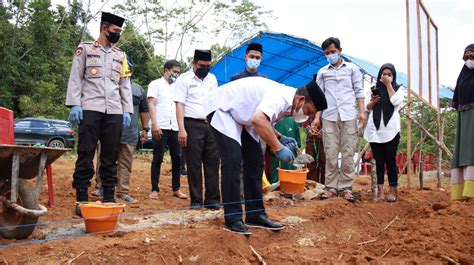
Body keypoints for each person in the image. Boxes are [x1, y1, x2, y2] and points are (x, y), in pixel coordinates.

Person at [205, 77, 327, 235]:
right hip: (222, 108)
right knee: (233, 160)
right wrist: (278, 147)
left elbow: (265, 121)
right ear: (301, 99)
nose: (306, 116)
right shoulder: (281, 97)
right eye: (308, 111)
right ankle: (233, 218)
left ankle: (255, 214)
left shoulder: (290, 104)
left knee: (255, 162)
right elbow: (258, 119)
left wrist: (280, 137)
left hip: (242, 116)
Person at [66, 12, 133, 215]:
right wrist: (74, 105)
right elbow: (76, 78)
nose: (118, 35)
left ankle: (109, 197)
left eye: (120, 31)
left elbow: (125, 85)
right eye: (115, 31)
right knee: (85, 152)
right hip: (90, 107)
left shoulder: (120, 56)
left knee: (110, 155)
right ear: (104, 28)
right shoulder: (85, 49)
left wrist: (127, 110)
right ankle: (82, 199)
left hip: (114, 110)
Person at [314, 37, 366, 202]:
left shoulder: (352, 69)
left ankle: (345, 188)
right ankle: (330, 187)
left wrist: (362, 112)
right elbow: (319, 97)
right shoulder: (322, 72)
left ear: (340, 51)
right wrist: (317, 118)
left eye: (333, 52)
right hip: (328, 116)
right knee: (330, 153)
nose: (330, 55)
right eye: (327, 53)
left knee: (348, 153)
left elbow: (359, 91)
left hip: (349, 115)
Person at [174, 49, 221, 210]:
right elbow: (179, 104)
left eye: (208, 66)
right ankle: (196, 199)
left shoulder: (213, 79)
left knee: (212, 162)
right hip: (191, 124)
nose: (205, 69)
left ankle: (212, 199)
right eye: (202, 65)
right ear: (194, 63)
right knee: (193, 163)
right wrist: (181, 129)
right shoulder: (184, 79)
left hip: (211, 124)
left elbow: (215, 102)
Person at [148, 60, 188, 200]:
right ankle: (154, 189)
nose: (176, 75)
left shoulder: (179, 87)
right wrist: (154, 124)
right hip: (161, 126)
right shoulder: (155, 84)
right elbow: (152, 105)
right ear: (166, 70)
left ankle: (176, 188)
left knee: (177, 158)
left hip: (175, 127)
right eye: (174, 72)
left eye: (178, 72)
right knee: (157, 158)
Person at [364, 63, 403, 202]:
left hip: (391, 131)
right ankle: (380, 191)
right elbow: (367, 108)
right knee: (378, 161)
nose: (386, 76)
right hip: (375, 131)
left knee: (390, 161)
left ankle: (393, 190)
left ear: (393, 76)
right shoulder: (373, 89)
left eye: (389, 74)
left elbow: (396, 101)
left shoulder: (398, 89)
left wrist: (388, 85)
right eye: (383, 74)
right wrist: (373, 102)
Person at [451, 44, 474, 201]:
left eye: (472, 56)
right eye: (466, 57)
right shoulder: (462, 75)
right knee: (465, 151)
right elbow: (458, 95)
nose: (469, 60)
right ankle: (465, 191)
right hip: (464, 115)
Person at [267, 117, 301, 183]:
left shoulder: (293, 121)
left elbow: (298, 144)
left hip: (292, 163)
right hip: (276, 160)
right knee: (277, 183)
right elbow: (270, 147)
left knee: (292, 183)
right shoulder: (272, 120)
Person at [304, 114, 326, 184]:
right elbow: (305, 121)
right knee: (310, 163)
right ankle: (311, 184)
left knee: (325, 163)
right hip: (310, 140)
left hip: (324, 141)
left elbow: (330, 122)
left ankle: (325, 186)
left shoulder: (326, 109)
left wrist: (322, 132)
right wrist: (309, 130)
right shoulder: (310, 108)